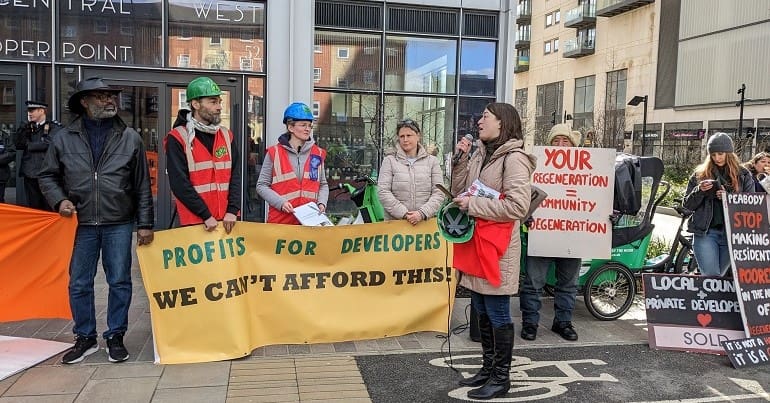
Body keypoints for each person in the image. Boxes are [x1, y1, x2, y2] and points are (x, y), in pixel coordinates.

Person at [38, 77, 154, 364]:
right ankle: (85, 337)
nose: (109, 100)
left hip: (119, 221)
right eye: (101, 96)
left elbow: (142, 185)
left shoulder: (130, 137)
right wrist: (60, 200)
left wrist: (145, 224)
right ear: (84, 102)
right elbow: (47, 175)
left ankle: (115, 336)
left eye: (111, 95)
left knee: (120, 281)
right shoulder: (63, 138)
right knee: (79, 283)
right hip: (80, 223)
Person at [450, 102, 535, 400]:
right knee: (482, 310)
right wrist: (459, 161)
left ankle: (501, 378)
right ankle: (487, 369)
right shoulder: (480, 153)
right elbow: (458, 190)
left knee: (497, 313)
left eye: (485, 117)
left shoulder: (514, 159)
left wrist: (473, 205)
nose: (479, 122)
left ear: (502, 123)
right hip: (478, 244)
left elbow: (518, 207)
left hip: (498, 249)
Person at [519, 124, 582, 342]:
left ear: (573, 146)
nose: (561, 145)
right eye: (556, 141)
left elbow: (598, 198)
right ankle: (530, 323)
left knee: (568, 284)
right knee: (533, 282)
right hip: (542, 233)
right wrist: (526, 213)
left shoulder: (587, 172)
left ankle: (563, 322)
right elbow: (523, 195)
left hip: (573, 236)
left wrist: (605, 216)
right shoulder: (536, 167)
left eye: (566, 141)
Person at [165, 76, 241, 232]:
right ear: (195, 104)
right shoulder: (178, 137)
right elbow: (180, 184)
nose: (219, 107)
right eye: (213, 102)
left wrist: (233, 210)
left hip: (227, 220)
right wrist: (205, 215)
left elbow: (236, 176)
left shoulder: (226, 135)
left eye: (219, 102)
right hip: (195, 222)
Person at [683, 132, 753, 277]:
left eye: (720, 154)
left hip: (732, 234)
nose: (717, 158)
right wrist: (699, 191)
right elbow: (687, 206)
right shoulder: (700, 174)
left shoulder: (743, 174)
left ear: (729, 153)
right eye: (713, 154)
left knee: (718, 279)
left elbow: (750, 204)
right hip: (706, 233)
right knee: (711, 276)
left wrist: (729, 198)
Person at [256, 102, 329, 224]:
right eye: (303, 125)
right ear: (290, 127)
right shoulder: (274, 152)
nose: (308, 129)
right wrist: (281, 203)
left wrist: (322, 203)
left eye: (310, 125)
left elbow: (323, 184)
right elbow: (261, 185)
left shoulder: (318, 153)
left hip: (309, 222)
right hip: (281, 222)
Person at [377, 119, 444, 224]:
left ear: (418, 136)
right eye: (402, 136)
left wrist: (422, 213)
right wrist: (405, 214)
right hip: (396, 224)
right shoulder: (389, 161)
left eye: (409, 135)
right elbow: (383, 192)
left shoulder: (432, 162)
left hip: (425, 224)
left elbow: (439, 192)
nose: (405, 139)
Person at [14, 100, 60, 210]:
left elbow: (48, 144)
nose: (29, 113)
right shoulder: (28, 127)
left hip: (47, 172)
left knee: (49, 206)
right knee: (34, 207)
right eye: (28, 111)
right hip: (30, 173)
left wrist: (29, 145)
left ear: (41, 111)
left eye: (32, 110)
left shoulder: (53, 127)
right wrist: (21, 131)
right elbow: (18, 145)